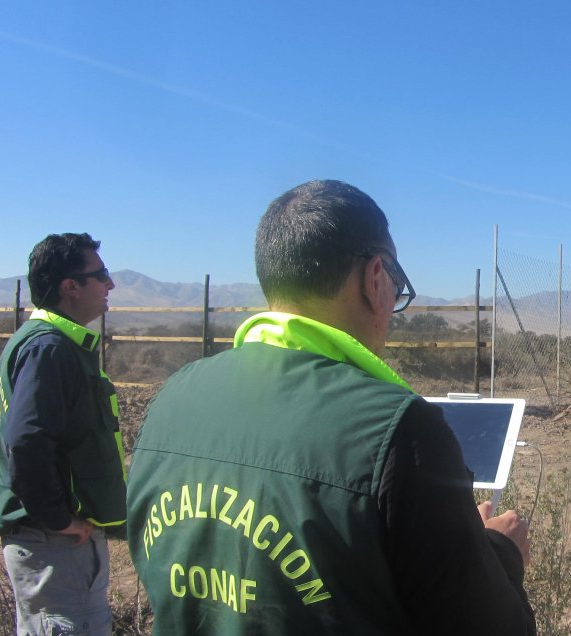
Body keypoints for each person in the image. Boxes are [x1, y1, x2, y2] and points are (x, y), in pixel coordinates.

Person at [126, 180, 536, 634]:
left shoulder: (172, 398)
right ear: (375, 277)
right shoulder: (400, 429)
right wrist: (500, 552)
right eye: (396, 285)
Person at [0, 232, 126, 635]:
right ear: (70, 287)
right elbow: (26, 441)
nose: (110, 284)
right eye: (101, 275)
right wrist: (59, 519)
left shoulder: (37, 342)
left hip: (48, 543)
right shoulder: (49, 348)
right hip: (56, 546)